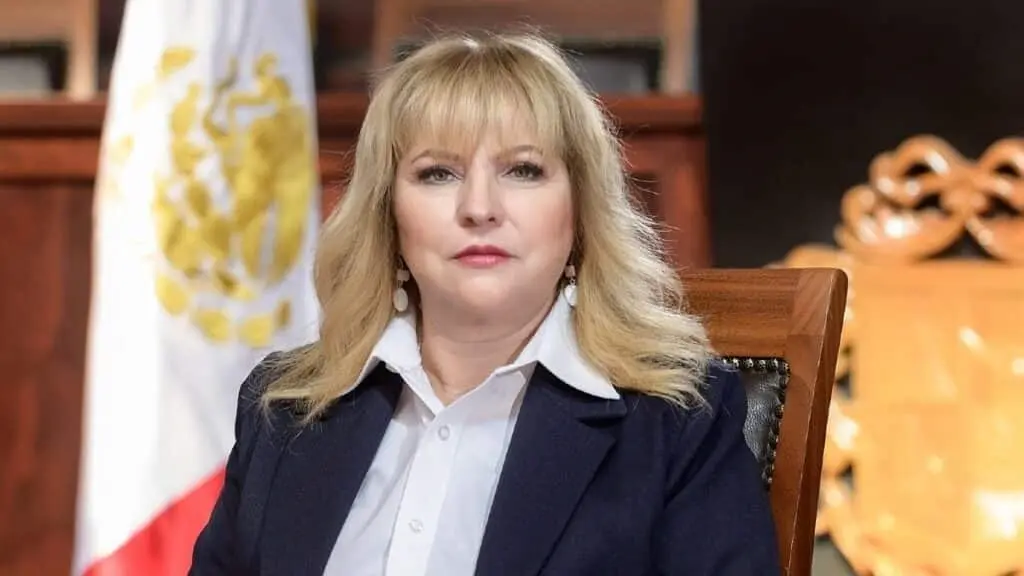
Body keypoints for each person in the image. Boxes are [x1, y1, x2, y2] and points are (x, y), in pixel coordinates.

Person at [190, 33, 779, 575]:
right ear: (387, 214)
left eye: (523, 170)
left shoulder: (677, 422)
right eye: (438, 173)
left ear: (579, 212)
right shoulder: (285, 410)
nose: (479, 207)